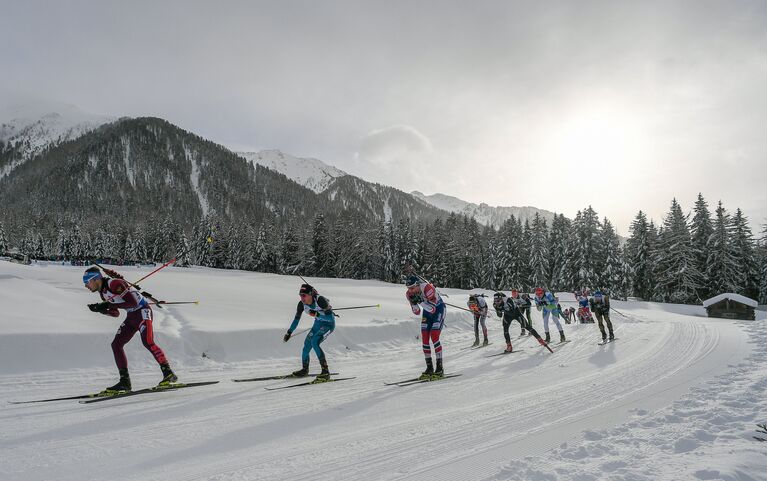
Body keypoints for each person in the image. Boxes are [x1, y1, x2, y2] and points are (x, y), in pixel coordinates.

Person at [83, 266, 177, 394]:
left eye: (86, 282)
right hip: (131, 317)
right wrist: (102, 310)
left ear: (95, 279)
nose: (86, 286)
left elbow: (132, 302)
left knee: (148, 341)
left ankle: (169, 374)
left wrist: (108, 305)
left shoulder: (115, 283)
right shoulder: (103, 294)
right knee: (116, 345)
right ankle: (125, 382)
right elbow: (115, 313)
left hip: (142, 311)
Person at [283, 284, 335, 381]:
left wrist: (317, 314)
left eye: (304, 295)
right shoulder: (301, 304)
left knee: (315, 342)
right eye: (300, 295)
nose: (302, 298)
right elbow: (296, 320)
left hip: (328, 325)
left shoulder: (320, 300)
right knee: (307, 344)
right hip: (317, 325)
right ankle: (305, 369)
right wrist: (289, 332)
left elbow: (330, 318)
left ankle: (325, 372)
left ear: (311, 294)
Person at [406, 275, 446, 380]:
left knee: (434, 335)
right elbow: (417, 312)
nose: (410, 291)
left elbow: (432, 309)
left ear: (418, 285)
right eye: (408, 288)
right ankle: (429, 368)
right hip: (426, 312)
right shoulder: (409, 294)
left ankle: (439, 368)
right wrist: (414, 303)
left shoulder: (428, 288)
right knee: (425, 338)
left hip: (438, 310)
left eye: (412, 288)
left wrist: (420, 301)